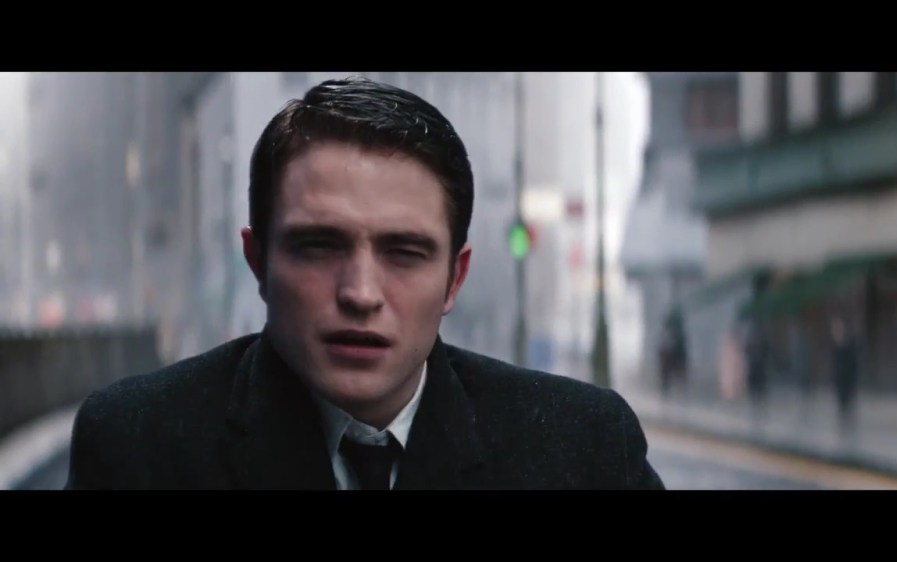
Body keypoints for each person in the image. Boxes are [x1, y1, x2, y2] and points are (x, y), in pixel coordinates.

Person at [64, 76, 665, 490]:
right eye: (319, 246)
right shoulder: (136, 446)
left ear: (454, 278)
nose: (360, 293)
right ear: (258, 261)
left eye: (404, 253)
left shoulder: (584, 449)